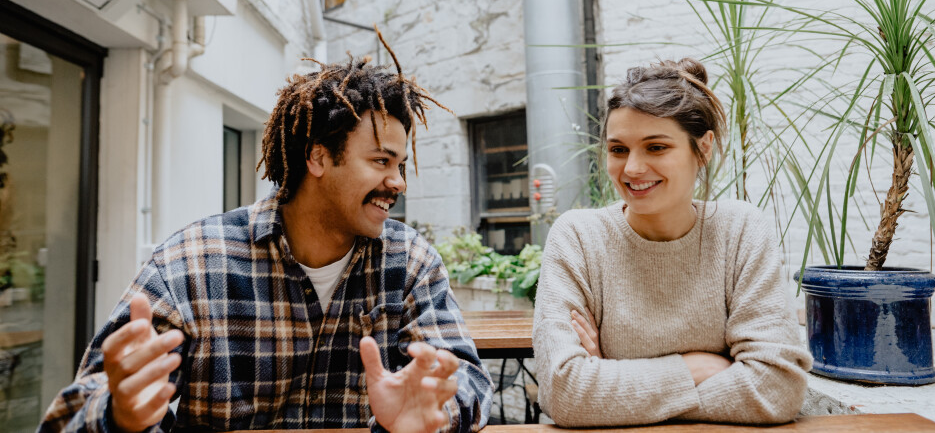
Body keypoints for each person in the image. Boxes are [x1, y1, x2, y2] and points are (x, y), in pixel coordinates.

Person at [40, 43, 493, 433]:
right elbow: (73, 411)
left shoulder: (410, 262)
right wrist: (119, 412)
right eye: (380, 161)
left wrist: (436, 410)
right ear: (318, 157)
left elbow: (467, 379)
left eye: (399, 166)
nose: (398, 183)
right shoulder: (193, 264)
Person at [533, 58, 812, 426]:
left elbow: (777, 388)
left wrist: (612, 389)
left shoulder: (740, 230)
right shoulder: (579, 238)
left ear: (704, 148)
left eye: (656, 147)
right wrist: (693, 369)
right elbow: (564, 393)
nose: (632, 168)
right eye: (618, 150)